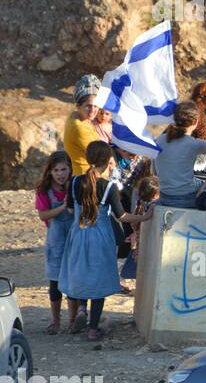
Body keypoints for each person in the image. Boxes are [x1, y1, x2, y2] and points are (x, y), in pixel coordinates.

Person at [57, 140, 154, 343]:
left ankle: (82, 308)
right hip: (100, 236)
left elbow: (69, 210)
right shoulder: (108, 186)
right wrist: (144, 218)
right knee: (99, 279)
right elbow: (122, 216)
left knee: (82, 272)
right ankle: (93, 329)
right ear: (109, 160)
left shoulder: (74, 182)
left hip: (78, 234)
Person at [35, 152, 75, 334]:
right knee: (55, 282)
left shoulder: (75, 186)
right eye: (56, 170)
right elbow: (43, 215)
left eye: (64, 169)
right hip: (55, 242)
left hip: (74, 240)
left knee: (74, 281)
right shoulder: (44, 191)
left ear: (70, 169)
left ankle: (73, 320)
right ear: (50, 171)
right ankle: (56, 321)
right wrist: (62, 207)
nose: (61, 174)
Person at [154, 101, 206, 208]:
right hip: (187, 197)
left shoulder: (159, 140)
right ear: (196, 122)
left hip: (164, 195)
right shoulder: (196, 144)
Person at [120, 174, 160, 286]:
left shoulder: (141, 205)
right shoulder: (154, 206)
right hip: (148, 245)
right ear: (156, 195)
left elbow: (135, 225)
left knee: (139, 272)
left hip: (140, 244)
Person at [64, 74, 103, 176]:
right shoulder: (79, 128)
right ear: (78, 106)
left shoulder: (76, 116)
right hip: (87, 179)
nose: (93, 110)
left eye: (96, 106)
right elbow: (100, 156)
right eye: (88, 106)